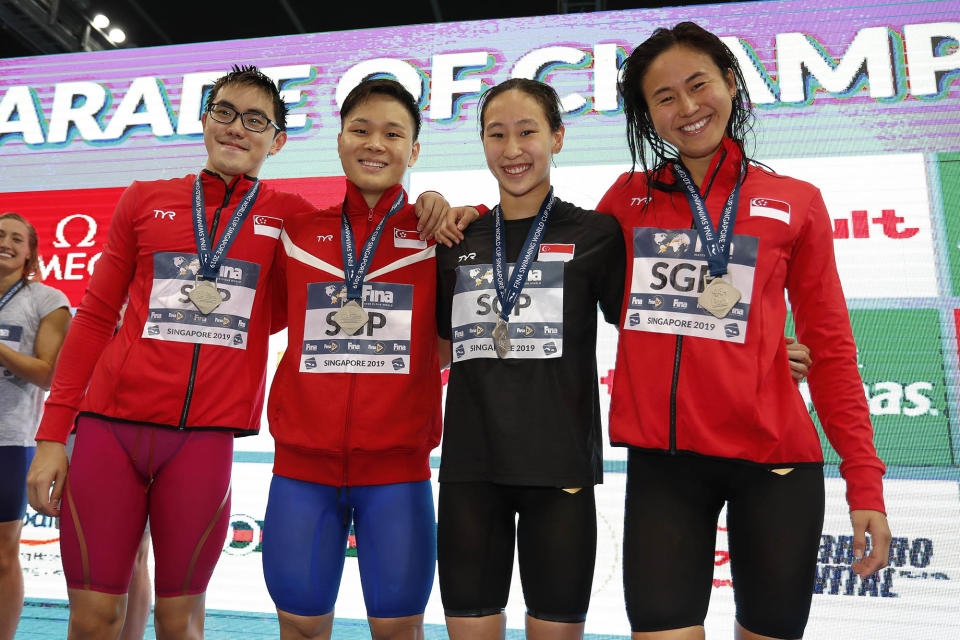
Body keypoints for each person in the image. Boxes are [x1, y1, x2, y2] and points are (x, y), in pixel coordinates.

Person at [597, 22, 891, 640]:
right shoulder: (627, 201)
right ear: (648, 115)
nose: (687, 107)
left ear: (731, 83)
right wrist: (457, 217)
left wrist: (864, 481)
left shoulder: (795, 200)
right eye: (665, 97)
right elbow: (574, 289)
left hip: (776, 465)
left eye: (698, 85)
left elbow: (832, 347)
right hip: (666, 463)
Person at [25, 64, 313, 640]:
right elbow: (96, 318)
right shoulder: (145, 199)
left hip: (204, 441)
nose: (237, 128)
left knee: (181, 623)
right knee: (93, 619)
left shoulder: (293, 216)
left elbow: (299, 301)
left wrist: (437, 202)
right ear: (205, 119)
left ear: (277, 140)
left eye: (256, 120)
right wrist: (54, 435)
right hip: (109, 430)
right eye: (225, 112)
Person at [435, 78, 626, 640]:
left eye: (527, 132)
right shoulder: (457, 238)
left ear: (558, 138)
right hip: (471, 471)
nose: (512, 149)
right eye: (497, 134)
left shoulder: (596, 233)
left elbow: (649, 329)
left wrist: (762, 348)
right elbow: (436, 344)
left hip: (559, 472)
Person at [262, 78, 442, 640]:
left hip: (397, 475)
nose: (375, 144)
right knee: (300, 629)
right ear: (339, 141)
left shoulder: (442, 232)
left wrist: (448, 205)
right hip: (300, 473)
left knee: (397, 634)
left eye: (393, 133)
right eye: (361, 130)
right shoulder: (296, 233)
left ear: (413, 151)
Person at [0, 213, 70, 640]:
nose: (5, 242)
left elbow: (48, 374)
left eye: (15, 238)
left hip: (8, 440)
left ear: (30, 252)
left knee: (4, 556)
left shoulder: (47, 298)